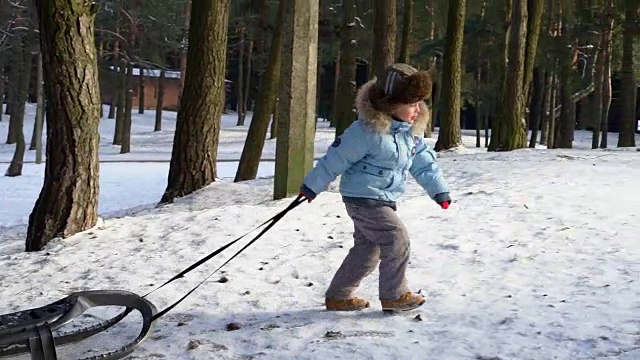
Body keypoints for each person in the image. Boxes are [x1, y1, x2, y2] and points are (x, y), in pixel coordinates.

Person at [299, 63, 451, 312]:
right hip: (363, 199)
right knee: (396, 239)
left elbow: (424, 164)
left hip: (384, 198)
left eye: (419, 104)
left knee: (368, 250)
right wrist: (312, 186)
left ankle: (339, 295)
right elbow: (335, 159)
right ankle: (394, 295)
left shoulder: (409, 133)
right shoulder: (366, 131)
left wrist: (439, 191)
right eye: (411, 105)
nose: (418, 110)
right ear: (392, 104)